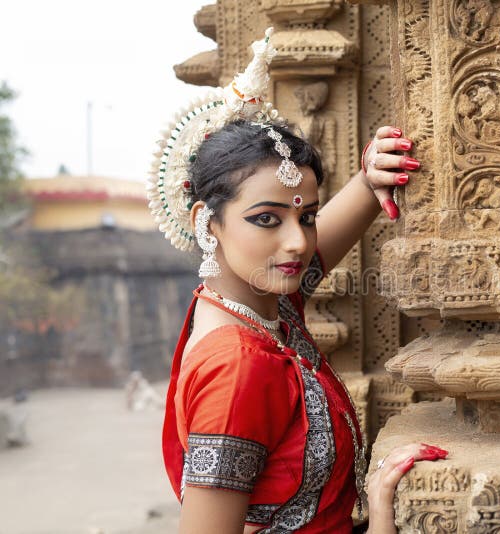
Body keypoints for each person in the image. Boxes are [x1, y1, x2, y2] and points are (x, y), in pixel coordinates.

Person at [151, 29, 447, 534]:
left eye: (305, 217)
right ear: (206, 220)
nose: (296, 243)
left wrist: (371, 178)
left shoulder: (255, 302)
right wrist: (379, 522)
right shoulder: (239, 367)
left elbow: (318, 239)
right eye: (266, 219)